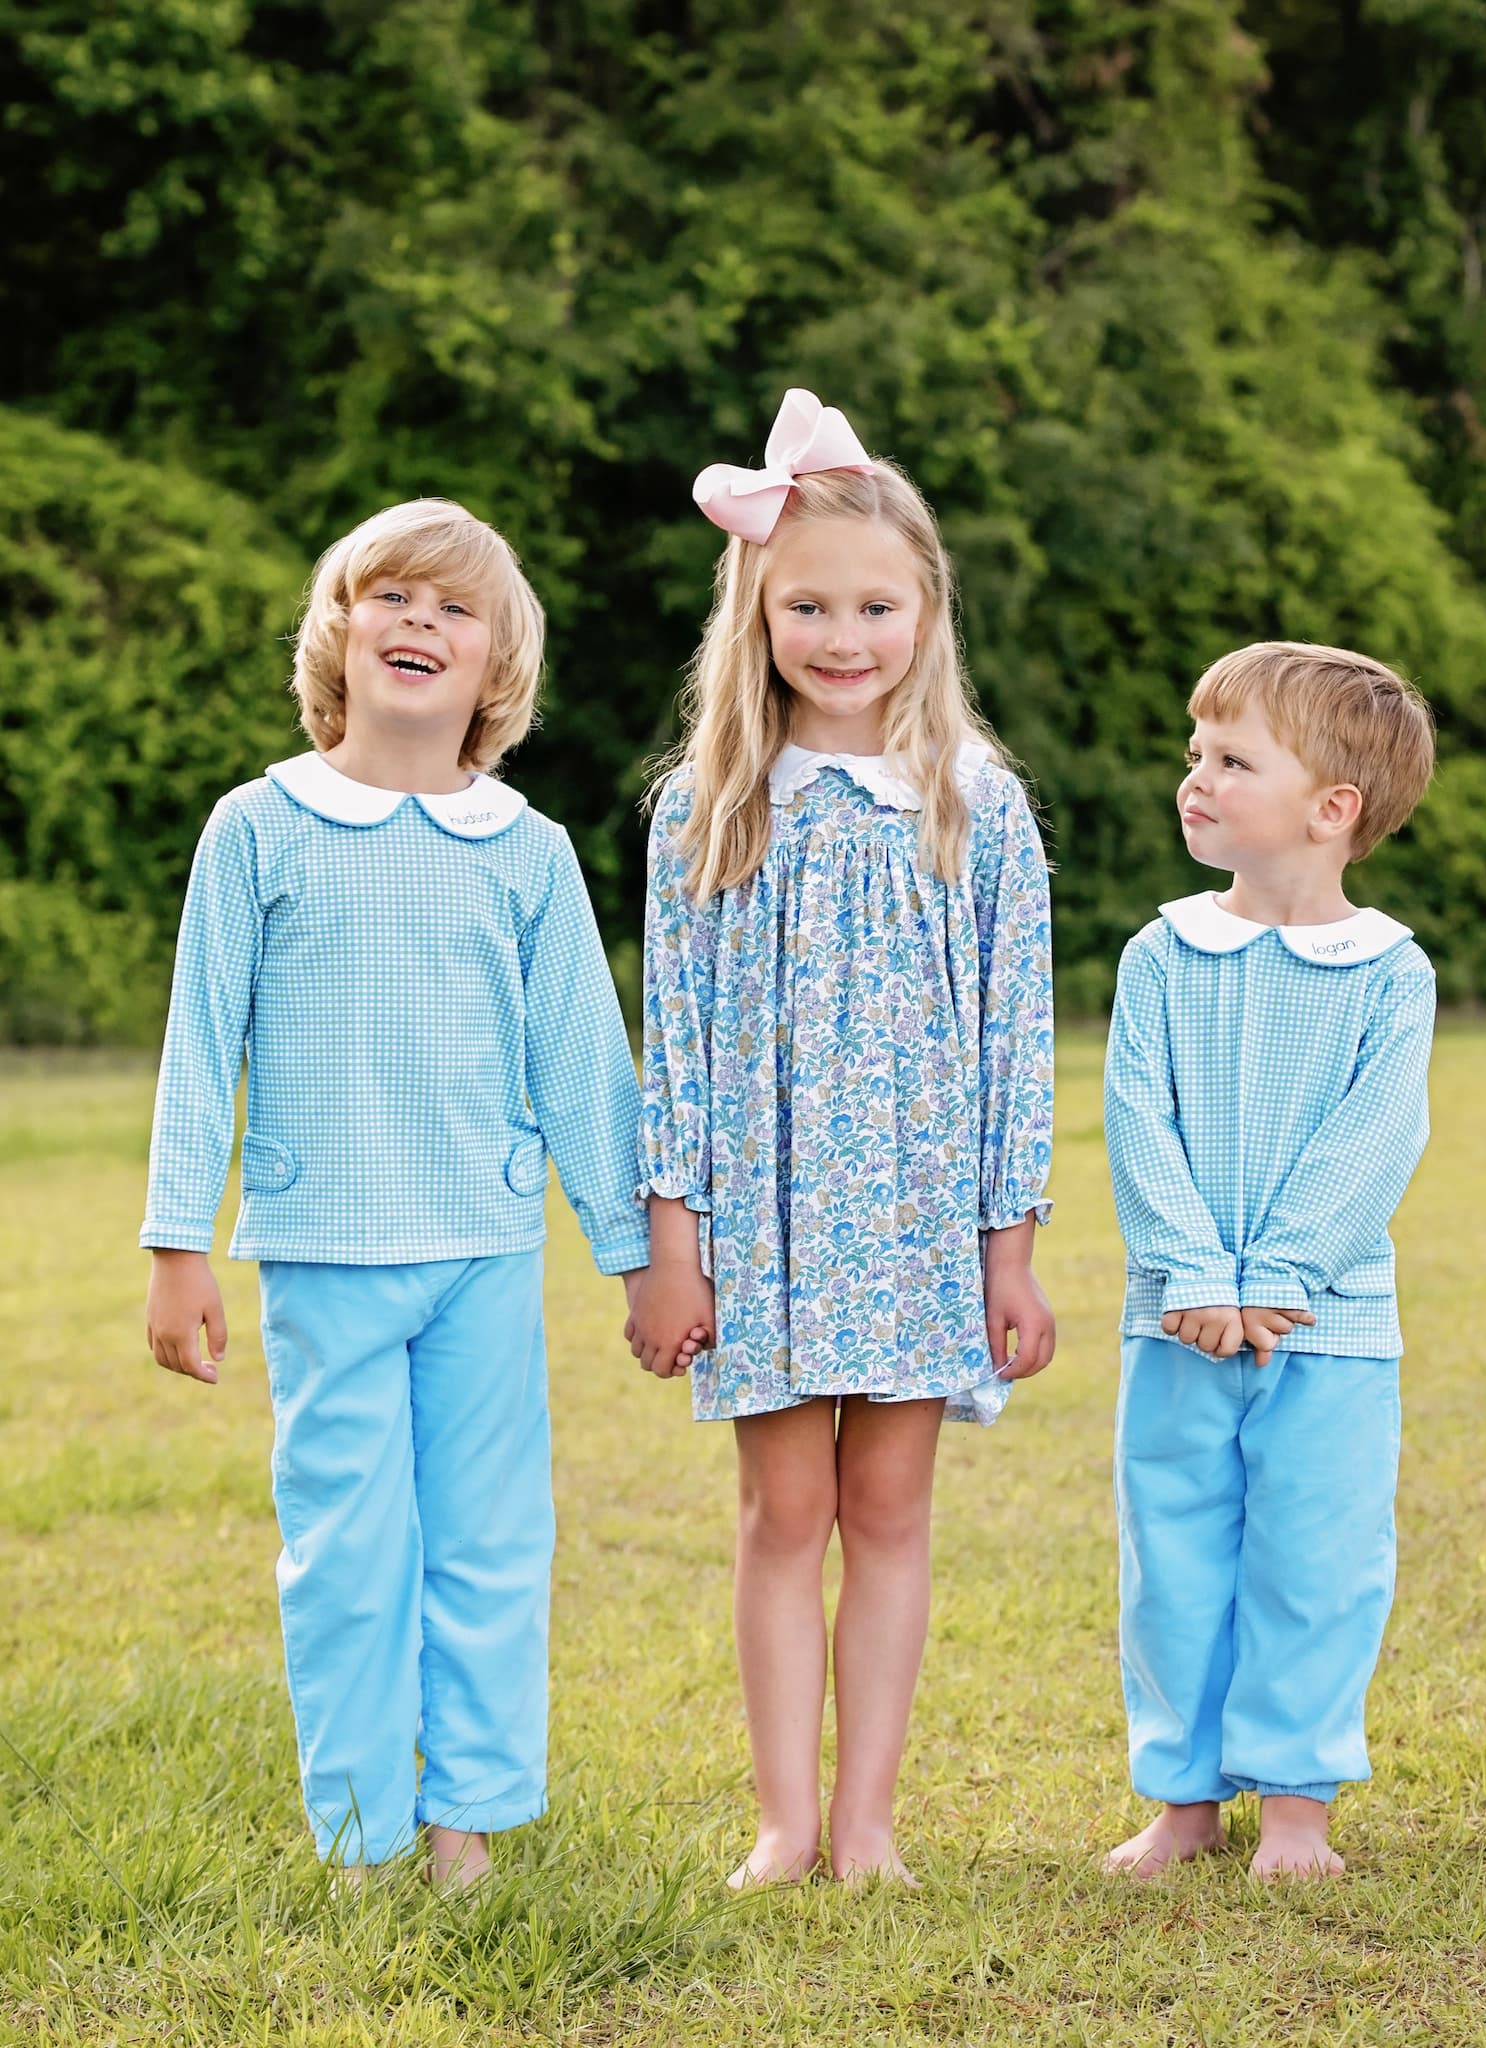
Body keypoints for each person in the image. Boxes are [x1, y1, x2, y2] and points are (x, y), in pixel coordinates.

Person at [140, 499, 647, 1886]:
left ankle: (466, 1820)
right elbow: (201, 1043)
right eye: (392, 595)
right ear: (339, 632)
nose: (420, 619)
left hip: (482, 1251)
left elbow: (583, 1065)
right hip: (322, 1250)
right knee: (346, 1552)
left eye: (455, 607)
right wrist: (178, 1242)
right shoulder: (259, 829)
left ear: (495, 666)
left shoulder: (525, 849)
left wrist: (636, 1253)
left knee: (488, 1544)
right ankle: (360, 1836)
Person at [628, 391, 1056, 1887]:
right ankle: (784, 1820)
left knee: (885, 1508)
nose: (842, 634)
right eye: (806, 604)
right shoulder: (708, 808)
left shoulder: (975, 806)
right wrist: (671, 1247)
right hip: (763, 1222)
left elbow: (1016, 1044)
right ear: (755, 612)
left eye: (875, 605)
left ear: (925, 612)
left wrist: (1010, 1252)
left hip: (918, 1221)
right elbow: (674, 1046)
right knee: (782, 1510)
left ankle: (867, 1826)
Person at [1102, 639, 1437, 1879]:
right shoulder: (1161, 954)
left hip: (1327, 1331)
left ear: (1331, 807)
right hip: (1177, 1324)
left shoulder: (1391, 974)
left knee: (1317, 1563)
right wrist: (1195, 1273)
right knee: (1174, 1564)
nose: (1195, 778)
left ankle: (1297, 1805)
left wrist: (1279, 1276)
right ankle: (1183, 1798)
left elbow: (1376, 1137)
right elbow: (1138, 1117)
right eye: (1196, 752)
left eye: (1232, 760)